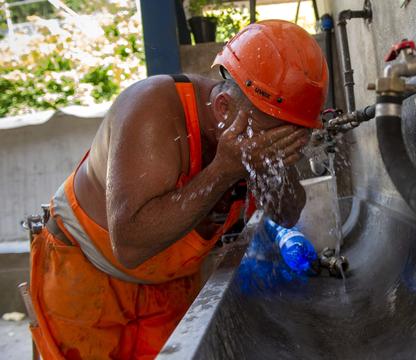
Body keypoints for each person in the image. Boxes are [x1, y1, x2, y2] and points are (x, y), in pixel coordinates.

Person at [28, 19, 328, 359]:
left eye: (290, 135)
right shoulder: (153, 111)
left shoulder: (257, 130)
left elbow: (287, 214)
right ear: (224, 109)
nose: (275, 145)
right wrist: (224, 170)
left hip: (168, 284)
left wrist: (273, 165)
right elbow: (129, 245)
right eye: (273, 134)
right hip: (87, 280)